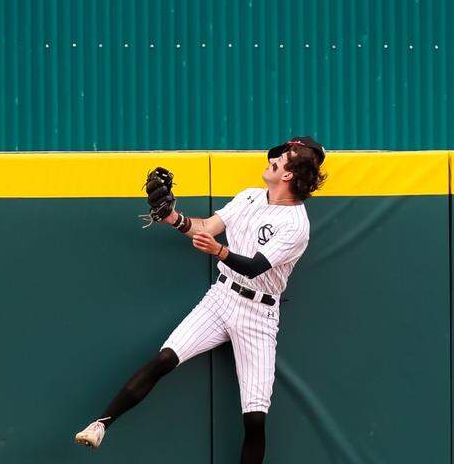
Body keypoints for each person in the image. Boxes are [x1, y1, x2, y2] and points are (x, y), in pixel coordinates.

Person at [74, 137, 328, 464]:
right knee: (165, 357)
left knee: (254, 417)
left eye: (282, 158)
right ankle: (100, 425)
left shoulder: (296, 225)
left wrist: (219, 250)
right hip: (222, 296)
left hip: (258, 313)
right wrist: (172, 218)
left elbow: (253, 267)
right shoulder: (250, 197)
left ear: (289, 175)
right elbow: (207, 227)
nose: (274, 159)